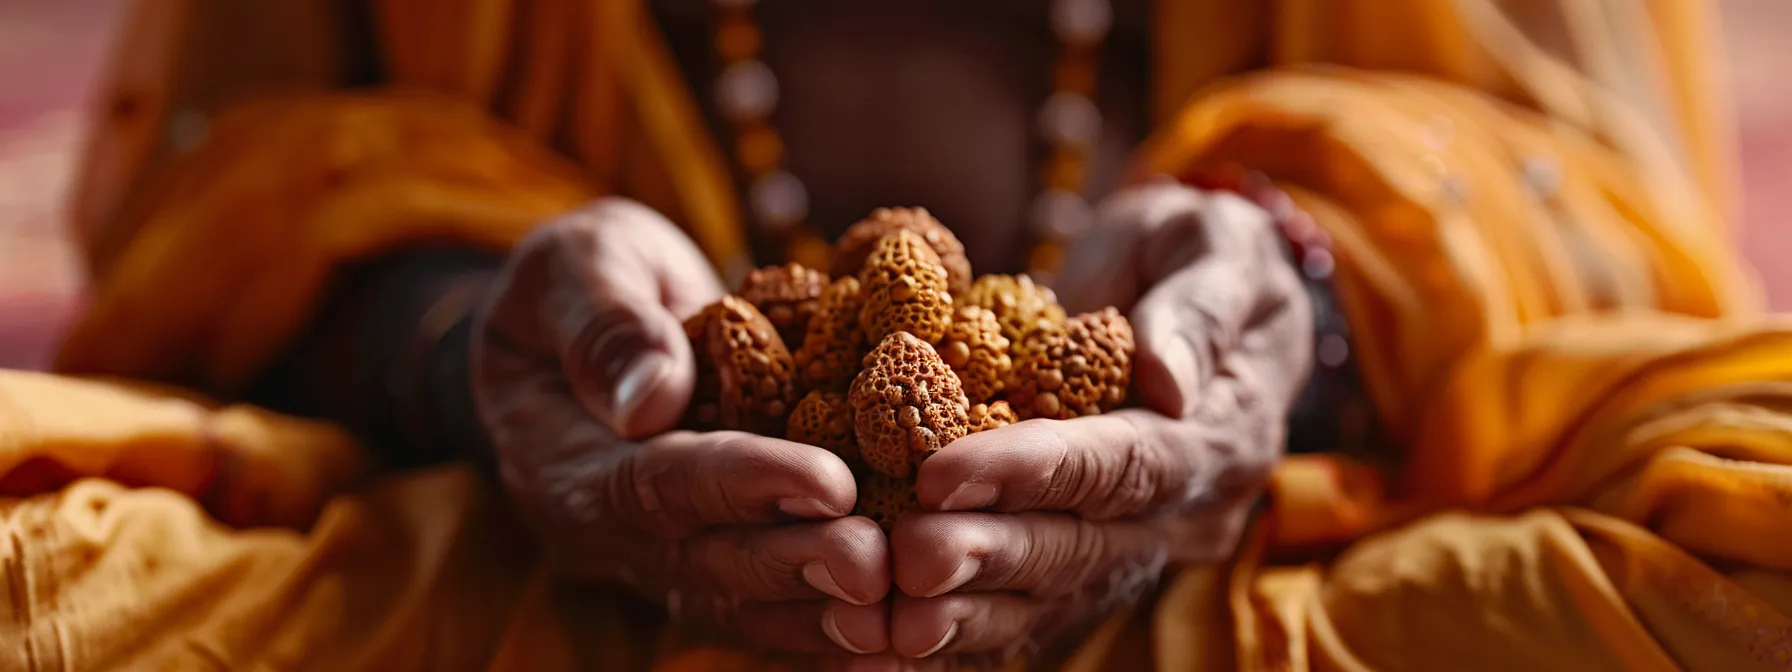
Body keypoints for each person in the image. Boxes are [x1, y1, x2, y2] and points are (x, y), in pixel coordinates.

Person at [3, 0, 1788, 669]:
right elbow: (226, 191)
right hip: (537, 574)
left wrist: (1293, 314)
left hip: (1250, 582)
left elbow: (1588, 227)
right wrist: (475, 338)